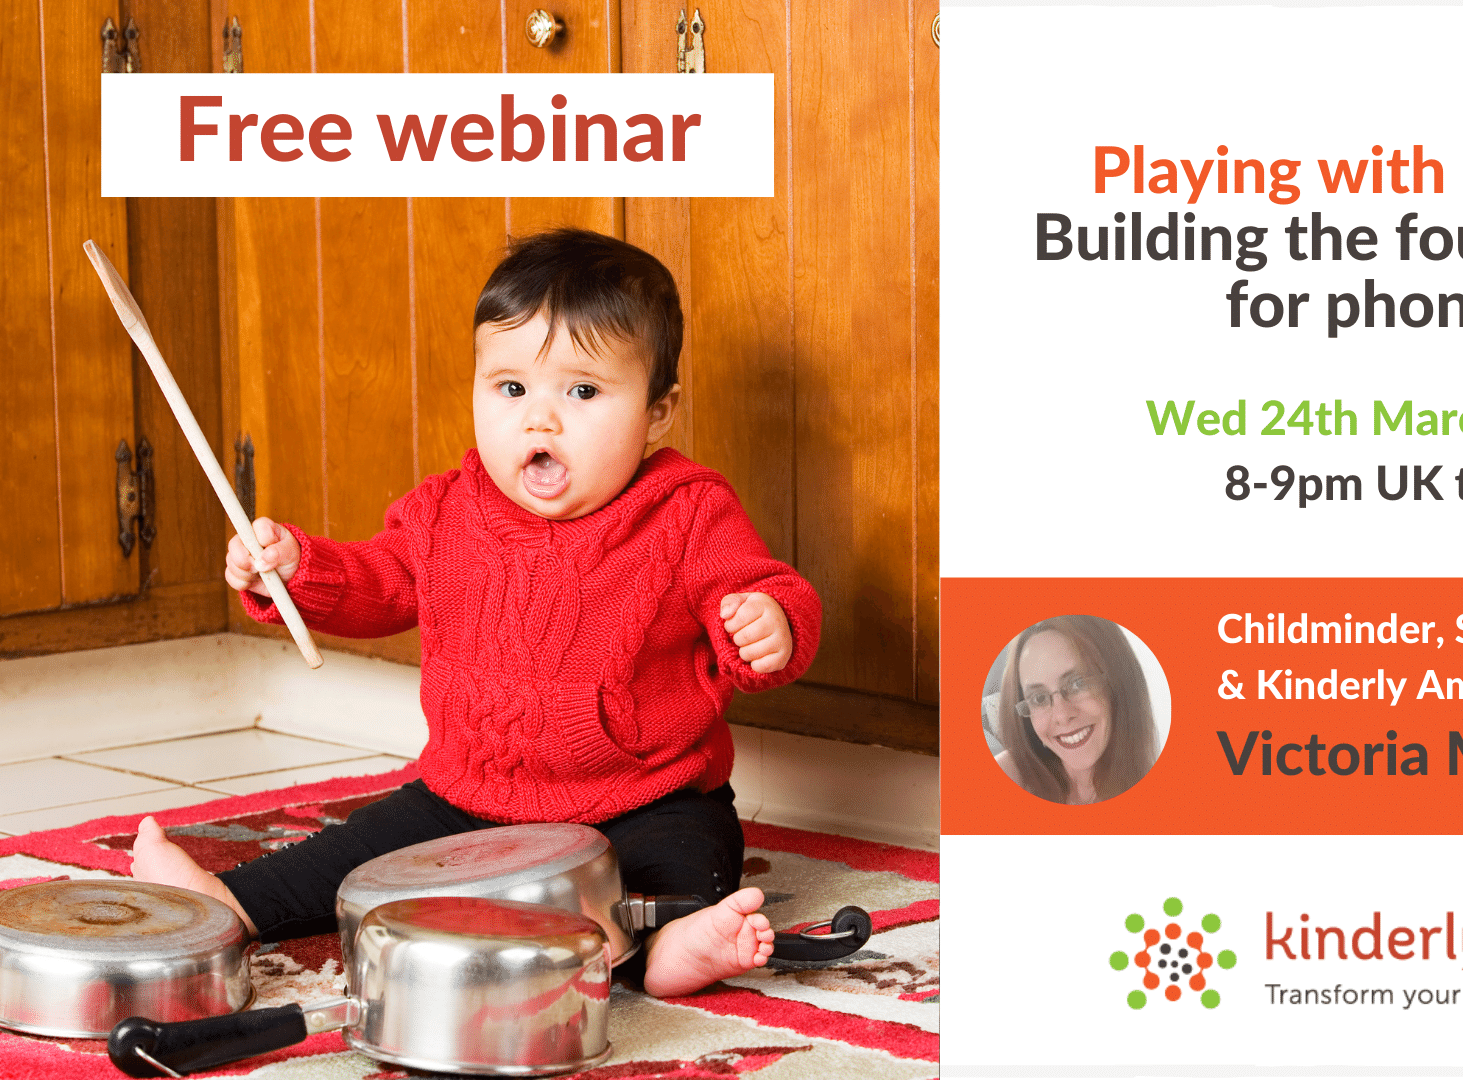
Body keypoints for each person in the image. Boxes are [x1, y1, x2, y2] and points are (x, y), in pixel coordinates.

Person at [129, 228, 821, 999]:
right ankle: (231, 905)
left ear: (658, 413)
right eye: (511, 389)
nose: (541, 421)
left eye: (583, 392)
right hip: (464, 797)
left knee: (684, 858)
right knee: (358, 855)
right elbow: (379, 578)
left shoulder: (688, 511)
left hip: (645, 797)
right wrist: (296, 567)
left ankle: (671, 946)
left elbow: (767, 590)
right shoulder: (447, 509)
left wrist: (770, 625)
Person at [993, 615, 1159, 804]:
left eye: (1078, 683)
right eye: (1039, 698)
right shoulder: (1010, 774)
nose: (1062, 716)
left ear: (1118, 684)